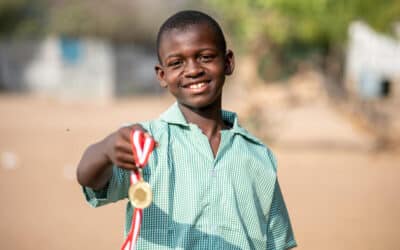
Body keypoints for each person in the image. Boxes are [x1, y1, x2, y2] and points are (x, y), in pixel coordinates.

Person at [77, 10, 297, 250]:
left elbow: (277, 242)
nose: (193, 70)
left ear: (228, 62)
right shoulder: (142, 145)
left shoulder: (258, 156)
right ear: (162, 75)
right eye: (177, 63)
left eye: (205, 57)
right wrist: (105, 150)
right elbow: (90, 178)